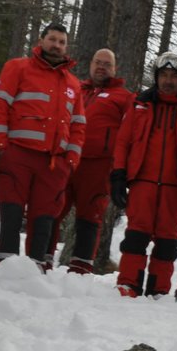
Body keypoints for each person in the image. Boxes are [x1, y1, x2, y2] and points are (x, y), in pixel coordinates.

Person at [0, 22, 85, 268]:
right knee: (11, 211)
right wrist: (1, 144)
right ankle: (5, 265)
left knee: (44, 217)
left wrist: (71, 159)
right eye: (52, 39)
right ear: (41, 41)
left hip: (54, 163)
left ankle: (36, 267)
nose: (57, 45)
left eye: (62, 42)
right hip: (18, 153)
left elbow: (78, 125)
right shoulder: (18, 67)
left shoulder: (73, 83)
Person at [111, 51, 177, 297]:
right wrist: (118, 175)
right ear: (156, 77)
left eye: (173, 76)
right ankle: (129, 283)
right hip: (142, 181)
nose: (168, 81)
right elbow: (123, 141)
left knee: (168, 239)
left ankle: (159, 288)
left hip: (176, 184)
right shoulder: (140, 103)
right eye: (163, 75)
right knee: (136, 234)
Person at [63, 47, 134, 273]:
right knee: (52, 210)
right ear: (91, 64)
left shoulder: (124, 97)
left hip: (98, 165)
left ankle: (81, 269)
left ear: (114, 69)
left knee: (89, 217)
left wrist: (121, 170)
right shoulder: (75, 89)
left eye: (107, 64)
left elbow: (130, 134)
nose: (101, 67)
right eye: (98, 62)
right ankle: (40, 262)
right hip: (65, 161)